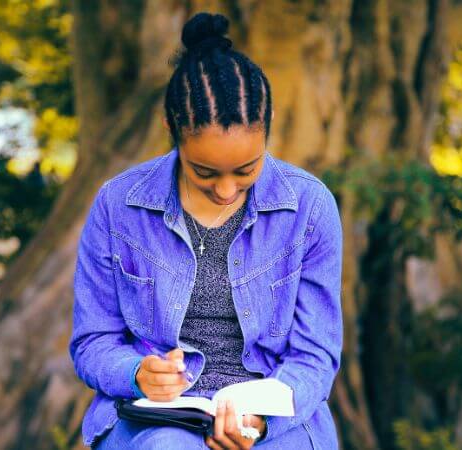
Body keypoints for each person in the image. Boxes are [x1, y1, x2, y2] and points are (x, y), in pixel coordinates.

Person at [69, 11, 343, 450]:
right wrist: (135, 373)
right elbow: (93, 341)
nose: (226, 190)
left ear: (267, 122)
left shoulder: (309, 207)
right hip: (157, 420)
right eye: (204, 172)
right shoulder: (118, 206)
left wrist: (258, 423)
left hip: (274, 421)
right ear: (171, 130)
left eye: (246, 169)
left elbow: (315, 355)